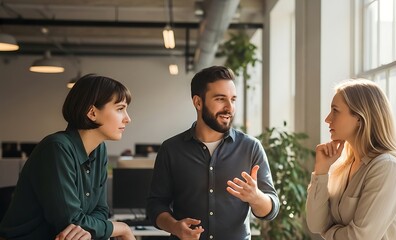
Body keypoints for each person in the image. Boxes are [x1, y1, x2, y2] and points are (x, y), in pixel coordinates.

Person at [147, 66, 280, 240]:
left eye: (233, 99)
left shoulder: (250, 147)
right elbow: (155, 205)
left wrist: (256, 198)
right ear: (198, 102)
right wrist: (175, 227)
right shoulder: (171, 149)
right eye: (220, 99)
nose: (229, 108)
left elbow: (271, 209)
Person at [0, 74, 136, 240]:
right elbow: (69, 221)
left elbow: (101, 211)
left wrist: (91, 229)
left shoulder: (99, 150)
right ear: (92, 113)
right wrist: (121, 228)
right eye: (120, 108)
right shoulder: (57, 148)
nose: (128, 119)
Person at [306, 79, 396, 239]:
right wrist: (321, 171)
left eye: (335, 110)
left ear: (360, 117)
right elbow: (316, 224)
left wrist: (329, 232)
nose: (327, 119)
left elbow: (359, 237)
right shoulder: (344, 165)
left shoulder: (387, 167)